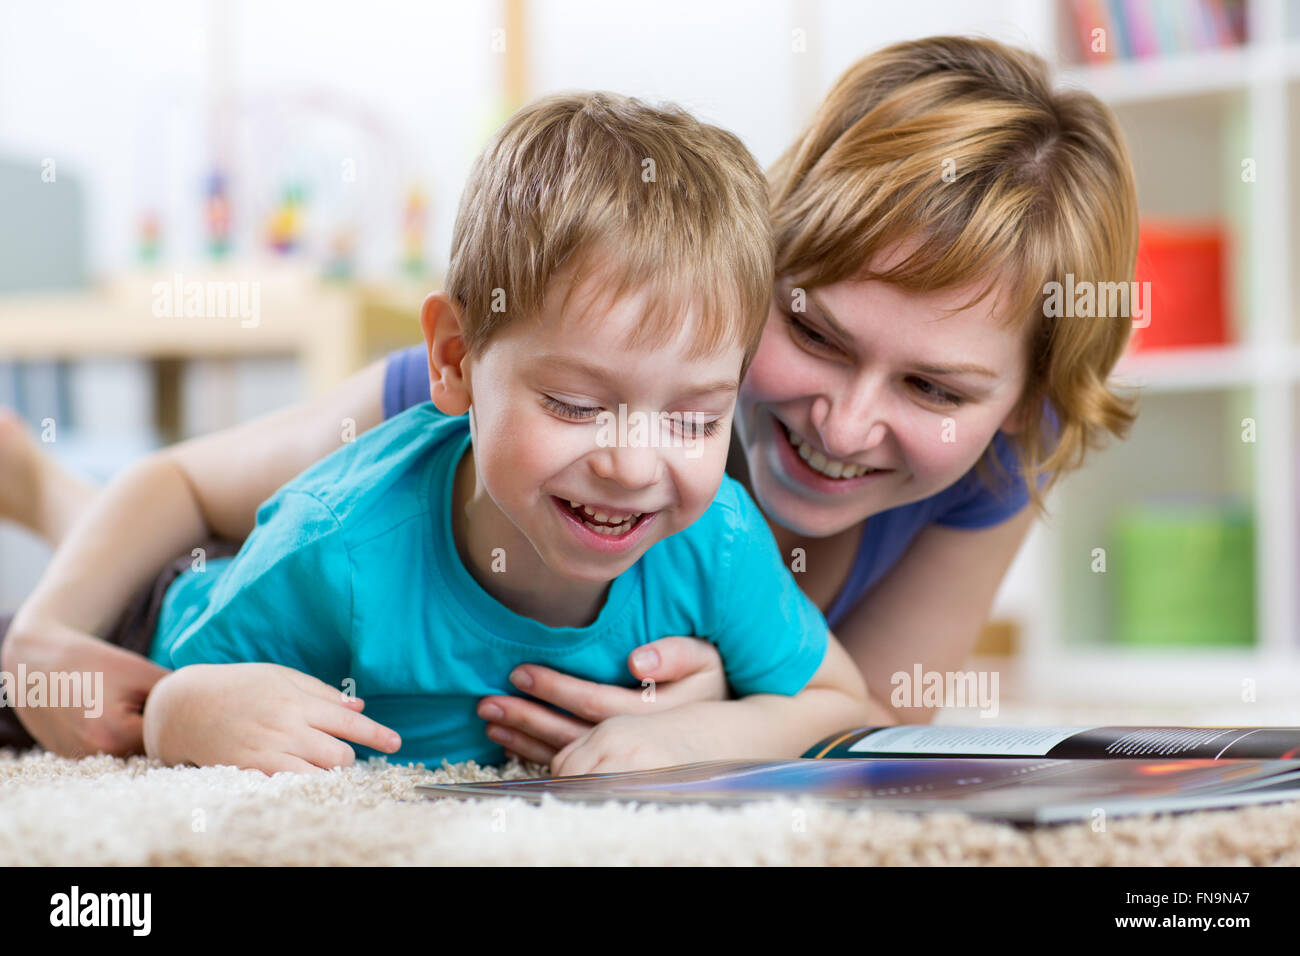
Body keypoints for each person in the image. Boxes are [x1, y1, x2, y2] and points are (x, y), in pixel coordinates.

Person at [1, 36, 1138, 767]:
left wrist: (714, 711)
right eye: (813, 334)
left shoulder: (985, 467)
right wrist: (49, 644)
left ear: (1017, 403)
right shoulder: (466, 409)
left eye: (935, 386)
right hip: (260, 576)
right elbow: (192, 483)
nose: (842, 425)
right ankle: (57, 494)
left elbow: (860, 725)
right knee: (175, 555)